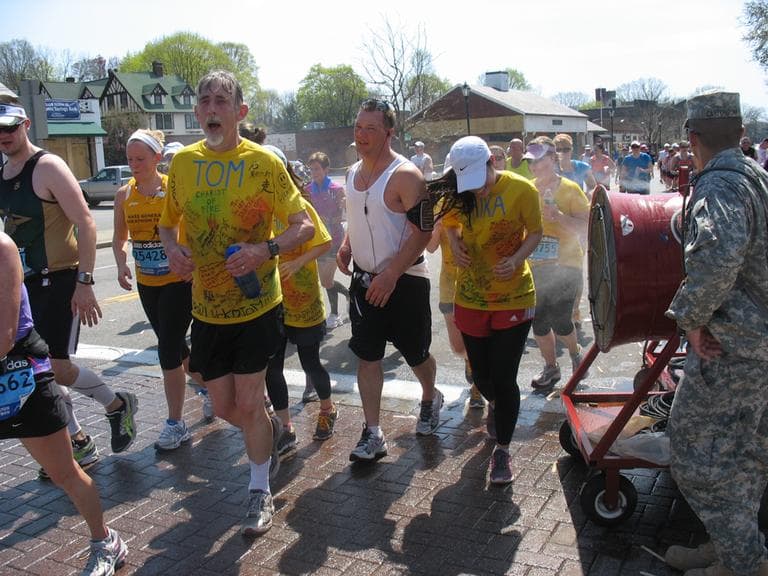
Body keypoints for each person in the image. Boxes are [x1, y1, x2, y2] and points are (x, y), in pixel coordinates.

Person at [159, 70, 314, 537]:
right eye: (204, 101)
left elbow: (302, 225)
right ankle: (267, 427)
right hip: (206, 310)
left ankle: (259, 489)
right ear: (196, 112)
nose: (211, 109)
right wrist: (172, 249)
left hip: (258, 306)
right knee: (226, 405)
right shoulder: (183, 165)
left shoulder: (264, 162)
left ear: (240, 113)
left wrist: (262, 250)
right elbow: (167, 224)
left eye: (221, 101)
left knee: (247, 401)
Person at [0, 101, 138, 477]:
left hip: (59, 279)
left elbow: (87, 224)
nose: (4, 135)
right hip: (25, 285)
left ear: (26, 124)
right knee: (35, 371)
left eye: (10, 126)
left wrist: (85, 282)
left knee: (58, 368)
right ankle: (77, 443)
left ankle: (116, 405)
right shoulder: (3, 172)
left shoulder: (47, 166)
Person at [664, 91, 768, 576]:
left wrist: (693, 319)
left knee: (695, 454)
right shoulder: (755, 177)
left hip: (733, 350)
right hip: (758, 349)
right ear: (741, 133)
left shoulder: (720, 186)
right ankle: (730, 550)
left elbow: (719, 259)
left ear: (693, 138)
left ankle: (743, 563)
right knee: (745, 452)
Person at [0, 229, 128, 574]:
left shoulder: (2, 247)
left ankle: (106, 541)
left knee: (63, 472)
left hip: (20, 374)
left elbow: (5, 336)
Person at [429, 136, 542, 484]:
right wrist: (455, 243)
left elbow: (536, 232)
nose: (475, 191)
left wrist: (517, 258)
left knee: (505, 377)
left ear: (493, 161)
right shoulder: (457, 193)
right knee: (481, 375)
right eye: (468, 184)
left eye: (479, 181)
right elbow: (447, 225)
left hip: (514, 296)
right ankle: (496, 403)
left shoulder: (522, 190)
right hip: (471, 297)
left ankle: (503, 452)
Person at [337, 98, 442, 463]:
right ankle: (373, 432)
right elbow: (356, 216)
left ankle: (430, 395)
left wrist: (392, 273)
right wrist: (347, 245)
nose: (362, 135)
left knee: (416, 354)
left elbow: (425, 229)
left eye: (371, 129)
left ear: (389, 132)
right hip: (365, 284)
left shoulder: (406, 175)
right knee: (367, 357)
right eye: (358, 127)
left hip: (406, 280)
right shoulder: (352, 173)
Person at [112, 129, 211, 452]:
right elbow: (119, 237)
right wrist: (120, 263)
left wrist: (192, 262)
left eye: (141, 159)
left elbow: (197, 228)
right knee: (175, 347)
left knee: (167, 349)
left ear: (158, 158)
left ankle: (176, 424)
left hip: (177, 281)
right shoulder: (124, 194)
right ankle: (209, 388)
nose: (134, 165)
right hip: (147, 282)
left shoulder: (173, 189)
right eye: (130, 160)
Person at [260, 147, 340, 453]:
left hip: (304, 300)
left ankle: (327, 409)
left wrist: (296, 262)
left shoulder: (300, 204)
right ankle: (286, 427)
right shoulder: (257, 210)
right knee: (272, 367)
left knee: (310, 362)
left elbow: (325, 242)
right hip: (271, 302)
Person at [523, 137, 591, 390]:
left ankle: (575, 353)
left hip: (566, 264)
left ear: (552, 159)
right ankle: (551, 368)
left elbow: (586, 225)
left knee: (561, 320)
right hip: (535, 266)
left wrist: (558, 217)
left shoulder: (570, 189)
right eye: (531, 161)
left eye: (540, 160)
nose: (535, 166)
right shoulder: (526, 188)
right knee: (538, 322)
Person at [425, 215, 484, 410]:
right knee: (458, 346)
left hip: (480, 284)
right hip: (450, 285)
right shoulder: (443, 209)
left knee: (479, 338)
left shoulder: (479, 204)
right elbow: (431, 247)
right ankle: (469, 359)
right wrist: (436, 224)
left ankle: (478, 387)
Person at [306, 152, 348, 334]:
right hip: (317, 241)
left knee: (326, 280)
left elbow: (343, 215)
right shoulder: (307, 190)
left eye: (316, 169)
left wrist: (329, 219)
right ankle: (348, 295)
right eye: (311, 169)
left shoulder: (336, 189)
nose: (313, 172)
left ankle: (335, 314)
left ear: (326, 169)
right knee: (325, 281)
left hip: (335, 239)